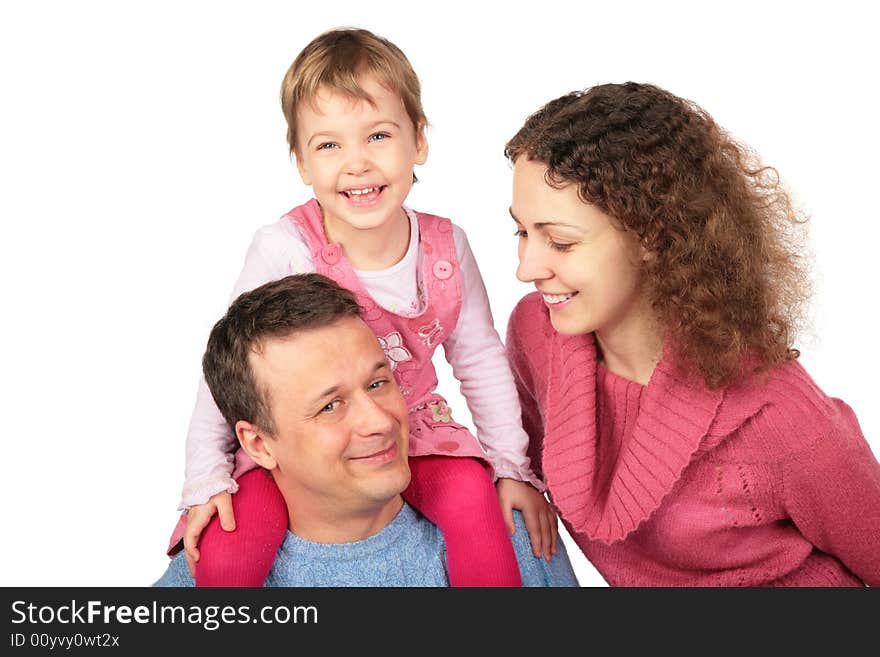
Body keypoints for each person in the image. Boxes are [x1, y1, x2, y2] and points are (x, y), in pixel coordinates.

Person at [167, 27, 555, 587]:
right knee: (226, 555)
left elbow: (480, 360)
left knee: (478, 515)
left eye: (378, 135)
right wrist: (205, 479)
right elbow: (227, 372)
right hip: (302, 446)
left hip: (413, 428)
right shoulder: (285, 247)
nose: (357, 164)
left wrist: (513, 469)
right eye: (329, 145)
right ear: (300, 161)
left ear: (418, 141)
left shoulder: (447, 248)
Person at [503, 82, 880, 586]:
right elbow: (508, 463)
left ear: (652, 239)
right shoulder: (536, 333)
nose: (526, 268)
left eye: (562, 242)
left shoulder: (784, 416)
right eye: (522, 232)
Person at [156, 274, 578, 587]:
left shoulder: (516, 539)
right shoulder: (202, 576)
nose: (380, 421)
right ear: (259, 444)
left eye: (378, 384)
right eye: (331, 406)